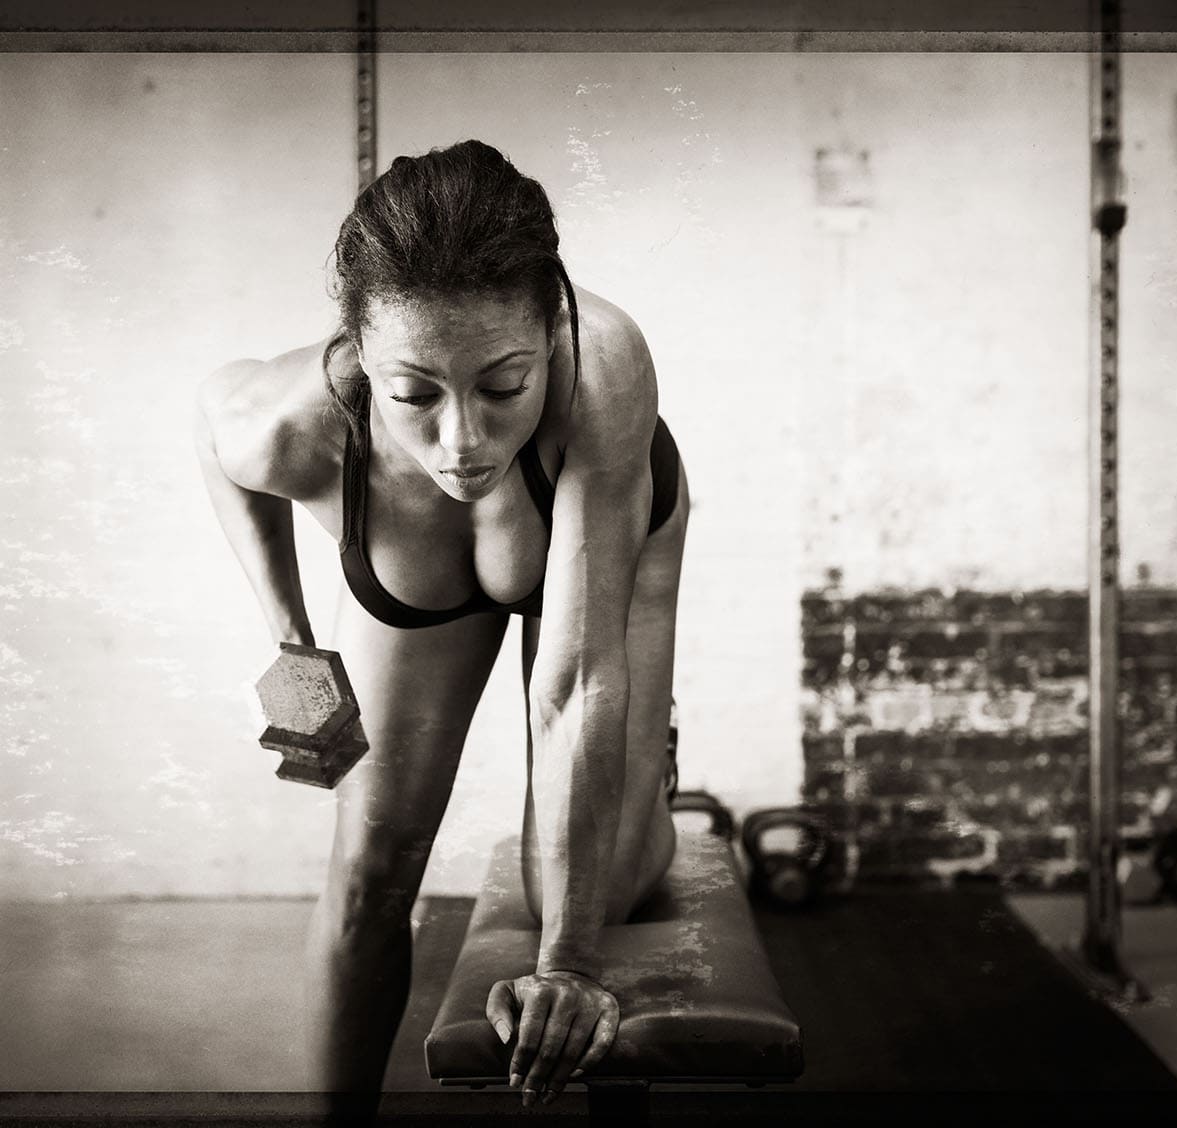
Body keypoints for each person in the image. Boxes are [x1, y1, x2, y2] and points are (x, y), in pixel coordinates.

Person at [194, 139, 689, 1119]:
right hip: (413, 564)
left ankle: (653, 769)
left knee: (594, 889)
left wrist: (569, 965)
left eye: (502, 386)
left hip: (590, 551)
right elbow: (217, 435)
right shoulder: (289, 420)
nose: (461, 441)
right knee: (368, 876)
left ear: (550, 331)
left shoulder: (606, 364)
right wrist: (294, 643)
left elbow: (576, 681)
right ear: (358, 355)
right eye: (414, 394)